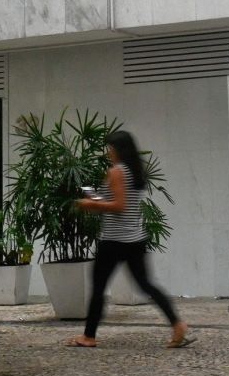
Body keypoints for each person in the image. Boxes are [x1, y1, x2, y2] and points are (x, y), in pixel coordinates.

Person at [66, 130, 194, 349]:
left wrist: (91, 204)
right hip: (135, 238)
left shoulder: (117, 171)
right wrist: (95, 197)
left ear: (117, 150)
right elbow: (119, 201)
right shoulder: (133, 172)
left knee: (98, 287)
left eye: (110, 148)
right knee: (146, 285)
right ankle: (177, 323)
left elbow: (119, 206)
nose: (108, 153)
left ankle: (89, 336)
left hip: (115, 241)